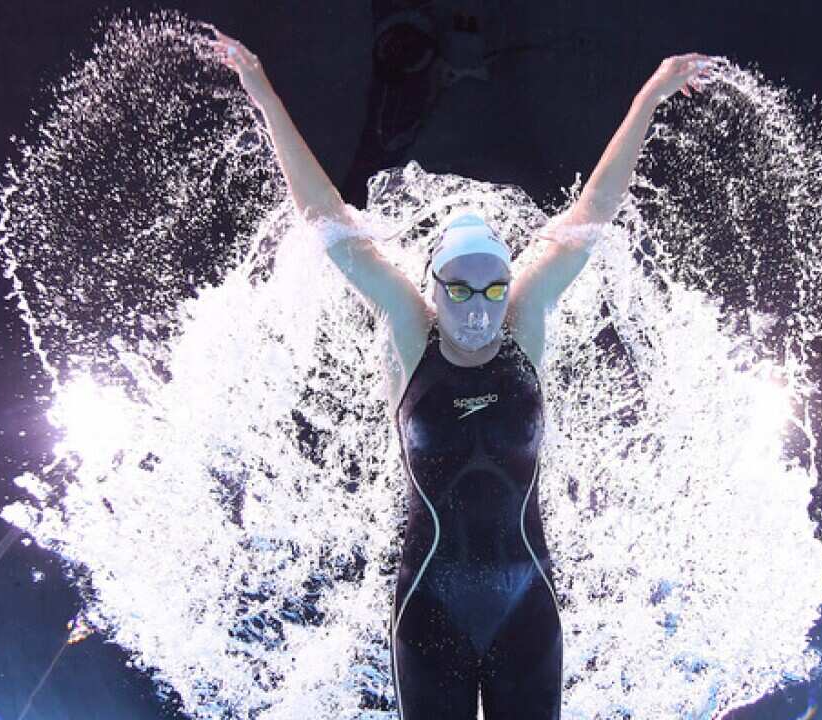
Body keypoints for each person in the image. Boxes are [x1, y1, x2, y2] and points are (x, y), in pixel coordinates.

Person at [208, 24, 719, 718]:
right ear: (433, 285)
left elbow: (592, 214)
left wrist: (652, 95)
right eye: (459, 289)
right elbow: (324, 218)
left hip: (527, 607)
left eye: (492, 290)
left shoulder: (523, 327)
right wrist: (260, 88)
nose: (478, 309)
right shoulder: (409, 334)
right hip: (428, 614)